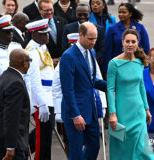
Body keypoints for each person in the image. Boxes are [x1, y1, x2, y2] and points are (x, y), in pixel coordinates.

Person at [59, 22, 107, 160]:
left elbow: (92, 80)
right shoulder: (68, 56)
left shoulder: (90, 52)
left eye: (95, 38)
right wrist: (75, 115)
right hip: (75, 114)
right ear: (81, 35)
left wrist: (112, 87)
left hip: (90, 111)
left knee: (94, 146)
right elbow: (68, 89)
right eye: (90, 39)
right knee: (76, 153)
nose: (93, 42)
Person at [107, 29, 154, 160]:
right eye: (127, 41)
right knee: (123, 150)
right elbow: (110, 90)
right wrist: (112, 114)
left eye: (133, 42)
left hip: (138, 112)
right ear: (122, 42)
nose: (130, 44)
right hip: (121, 112)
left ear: (137, 43)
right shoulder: (114, 63)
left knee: (144, 151)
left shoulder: (140, 62)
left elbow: (141, 86)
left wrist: (146, 109)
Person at [0, 49, 31, 160]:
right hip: (4, 143)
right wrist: (10, 147)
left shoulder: (5, 76)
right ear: (24, 63)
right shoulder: (16, 83)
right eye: (29, 61)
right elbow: (11, 117)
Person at [25, 18, 55, 160]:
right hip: (40, 99)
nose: (47, 36)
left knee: (46, 135)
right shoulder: (31, 51)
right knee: (41, 138)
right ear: (34, 35)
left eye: (47, 33)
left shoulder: (42, 48)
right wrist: (42, 104)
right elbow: (34, 80)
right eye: (43, 34)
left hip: (49, 96)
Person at [103, 3, 150, 75]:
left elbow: (146, 48)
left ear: (130, 14)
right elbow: (108, 51)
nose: (120, 14)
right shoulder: (112, 29)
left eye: (124, 12)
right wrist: (106, 70)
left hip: (137, 65)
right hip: (118, 66)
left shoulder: (140, 27)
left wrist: (145, 66)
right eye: (119, 12)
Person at [36, 0, 67, 67]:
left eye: (51, 9)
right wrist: (50, 60)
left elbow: (66, 41)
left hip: (63, 62)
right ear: (39, 10)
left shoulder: (62, 21)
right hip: (45, 65)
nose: (50, 12)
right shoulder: (35, 25)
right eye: (46, 10)